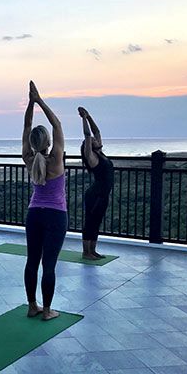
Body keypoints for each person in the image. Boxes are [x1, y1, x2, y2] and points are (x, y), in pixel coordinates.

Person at [21, 81, 68, 321]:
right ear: (48, 142)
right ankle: (47, 310)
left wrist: (30, 103)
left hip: (34, 214)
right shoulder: (56, 158)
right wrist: (39, 100)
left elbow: (27, 125)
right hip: (55, 215)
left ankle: (32, 306)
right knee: (48, 265)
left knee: (32, 261)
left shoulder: (29, 159)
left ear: (31, 143)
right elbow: (57, 124)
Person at [78, 106, 114, 260]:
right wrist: (83, 119)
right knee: (90, 222)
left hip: (103, 195)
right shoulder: (91, 157)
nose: (94, 138)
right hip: (95, 195)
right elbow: (87, 134)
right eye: (91, 140)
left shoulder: (100, 153)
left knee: (97, 222)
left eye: (94, 140)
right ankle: (86, 252)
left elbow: (96, 131)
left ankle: (93, 250)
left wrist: (89, 115)